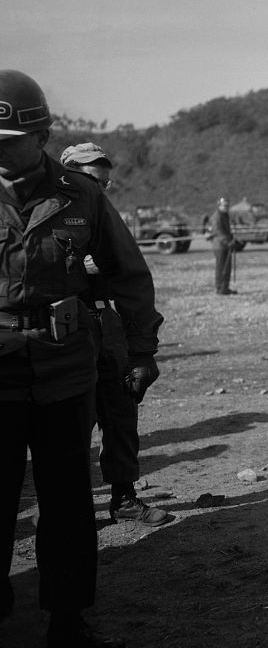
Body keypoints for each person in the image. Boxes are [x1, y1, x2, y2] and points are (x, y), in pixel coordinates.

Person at [0, 70, 163, 648]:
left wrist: (142, 349)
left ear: (39, 134)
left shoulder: (82, 196)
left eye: (9, 140)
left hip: (65, 369)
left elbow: (129, 274)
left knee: (67, 502)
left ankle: (68, 623)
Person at [60, 143, 171, 527]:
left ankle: (124, 498)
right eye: (93, 179)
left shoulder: (104, 214)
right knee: (69, 423)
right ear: (69, 173)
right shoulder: (45, 210)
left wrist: (142, 349)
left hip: (107, 326)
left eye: (105, 182)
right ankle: (69, 508)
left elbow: (130, 274)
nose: (100, 189)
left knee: (121, 412)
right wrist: (79, 267)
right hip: (64, 332)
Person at [212, 196, 236, 294]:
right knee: (221, 267)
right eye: (224, 205)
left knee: (227, 268)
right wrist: (227, 241)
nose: (226, 207)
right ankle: (220, 288)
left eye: (227, 205)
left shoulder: (224, 215)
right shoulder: (217, 216)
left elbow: (226, 231)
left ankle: (225, 287)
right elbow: (218, 231)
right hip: (220, 246)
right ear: (219, 205)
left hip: (226, 245)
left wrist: (232, 238)